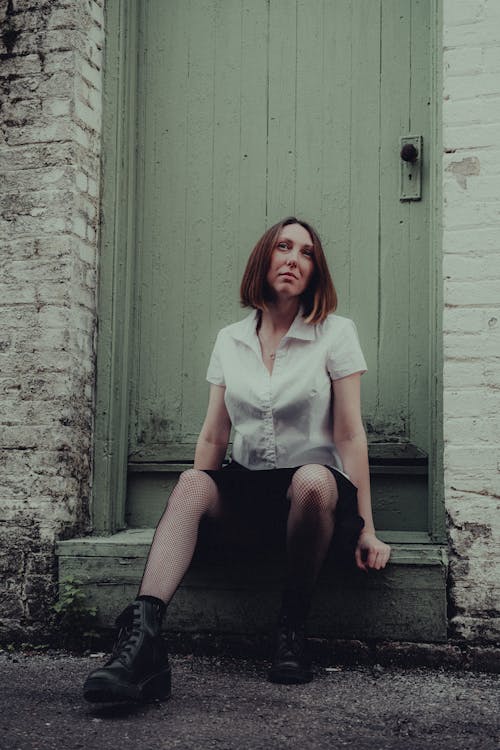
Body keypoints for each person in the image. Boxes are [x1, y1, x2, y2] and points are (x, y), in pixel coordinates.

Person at [83, 216, 391, 703]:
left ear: (315, 271)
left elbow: (350, 434)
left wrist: (368, 528)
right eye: (283, 247)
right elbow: (213, 433)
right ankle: (140, 640)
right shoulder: (231, 339)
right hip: (249, 489)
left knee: (312, 478)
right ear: (264, 258)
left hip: (314, 496)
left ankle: (291, 627)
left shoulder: (335, 333)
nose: (293, 258)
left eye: (306, 253)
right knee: (190, 482)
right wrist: (195, 509)